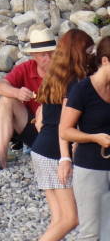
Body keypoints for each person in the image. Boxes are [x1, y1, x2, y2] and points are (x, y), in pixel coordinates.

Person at [29, 30, 95, 241]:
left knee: (58, 218)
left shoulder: (54, 76)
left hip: (39, 150)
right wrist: (65, 158)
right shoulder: (74, 82)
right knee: (70, 219)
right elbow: (64, 124)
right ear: (79, 51)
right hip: (54, 153)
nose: (91, 54)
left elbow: (40, 119)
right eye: (89, 50)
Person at [60, 36, 110, 241]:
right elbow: (65, 131)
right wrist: (94, 138)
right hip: (90, 167)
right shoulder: (82, 89)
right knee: (90, 233)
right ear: (105, 61)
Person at [0, 27, 57, 168]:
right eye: (44, 55)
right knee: (6, 100)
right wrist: (17, 92)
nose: (49, 59)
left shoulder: (63, 71)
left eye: (52, 54)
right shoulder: (27, 68)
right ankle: (1, 153)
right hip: (32, 128)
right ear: (35, 56)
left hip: (56, 131)